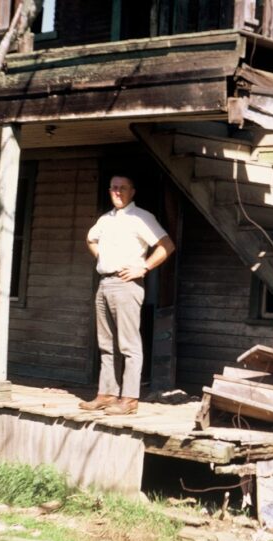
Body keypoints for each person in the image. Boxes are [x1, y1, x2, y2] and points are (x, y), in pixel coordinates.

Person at [79, 174, 175, 415]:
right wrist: (103, 258)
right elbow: (90, 239)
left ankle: (130, 398)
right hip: (105, 283)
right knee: (106, 343)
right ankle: (107, 393)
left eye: (123, 188)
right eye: (114, 188)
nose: (118, 192)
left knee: (128, 344)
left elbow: (166, 245)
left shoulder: (141, 217)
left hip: (126, 284)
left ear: (132, 191)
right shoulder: (106, 219)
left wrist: (143, 267)